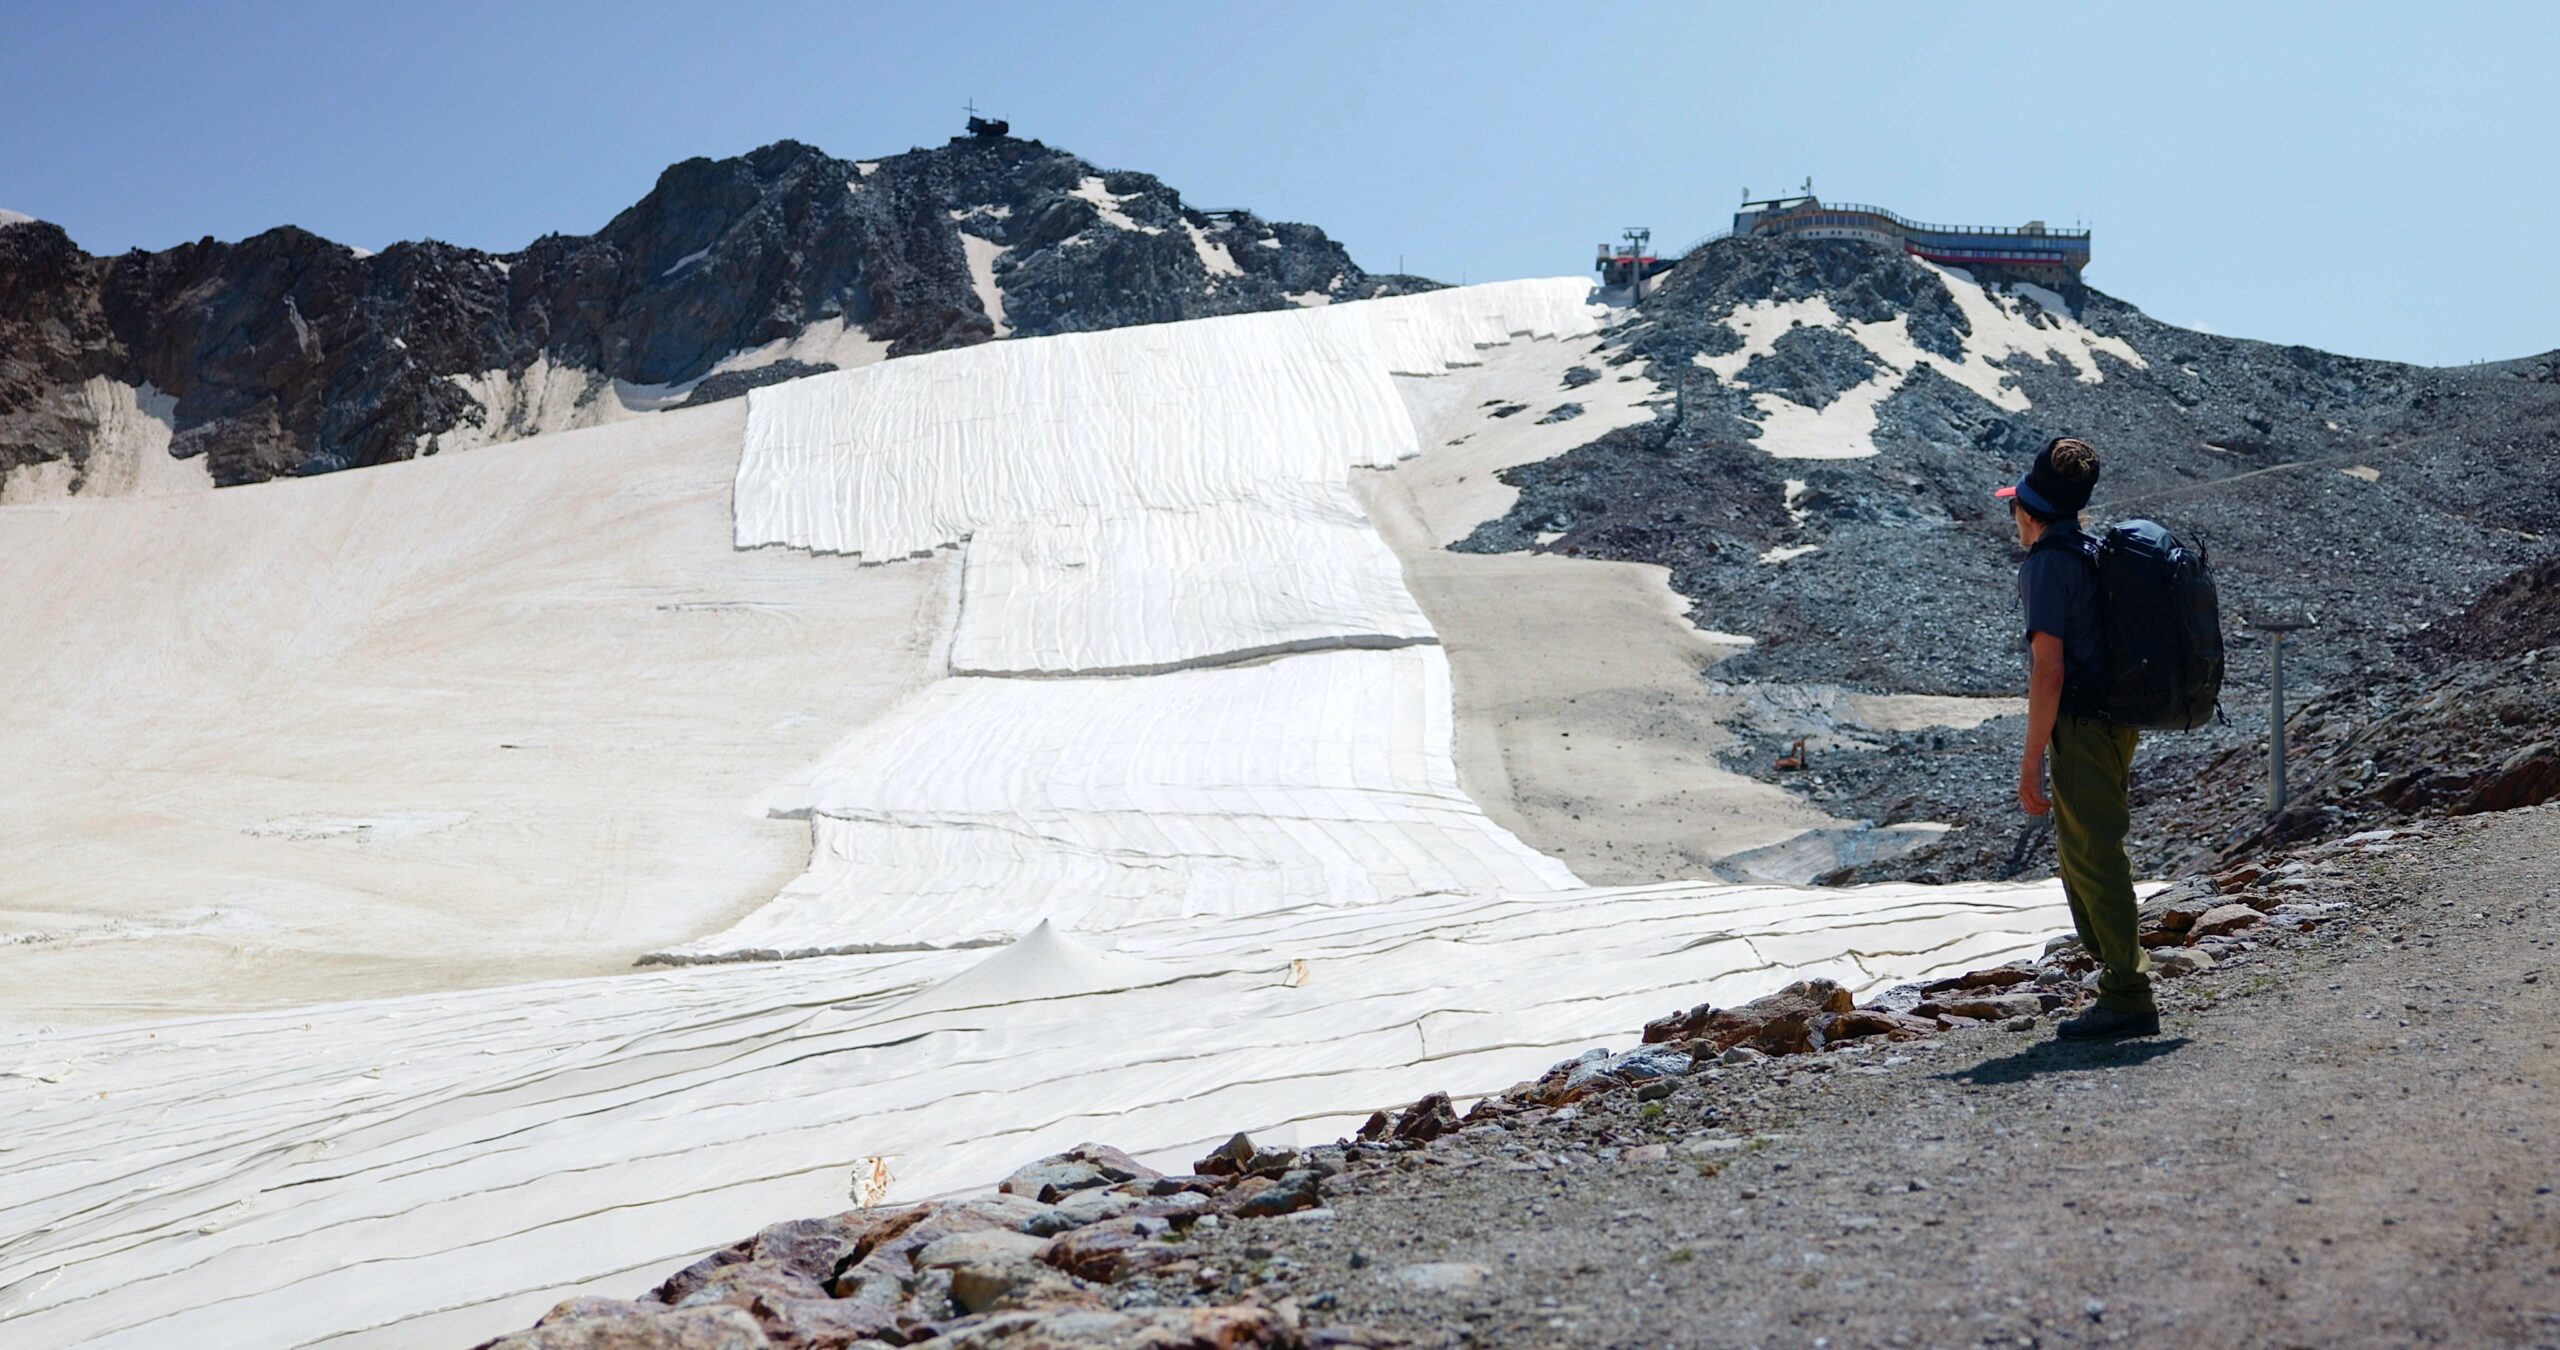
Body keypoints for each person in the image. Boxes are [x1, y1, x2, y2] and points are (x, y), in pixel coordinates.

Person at [1998, 437, 2158, 1039]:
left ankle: (2127, 994)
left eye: (2014, 506)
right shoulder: (2093, 550)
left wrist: (2031, 759)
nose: (2013, 515)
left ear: (2029, 512)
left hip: (2082, 725)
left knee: (2094, 854)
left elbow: (2049, 672)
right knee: (2085, 851)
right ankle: (2116, 974)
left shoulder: (2046, 565)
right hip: (2116, 720)